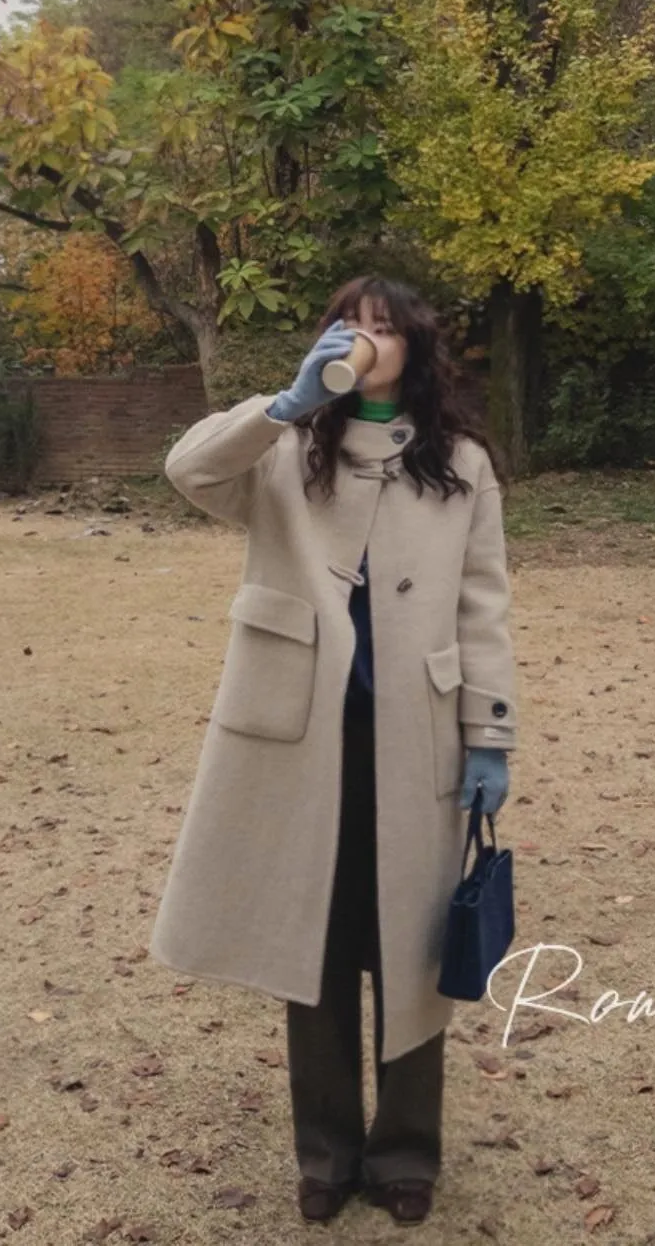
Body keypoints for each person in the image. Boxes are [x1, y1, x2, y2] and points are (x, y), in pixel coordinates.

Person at [149, 275, 519, 1227]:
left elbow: (483, 605)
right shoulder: (285, 447)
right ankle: (325, 1155)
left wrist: (490, 736)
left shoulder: (462, 463)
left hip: (417, 739)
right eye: (348, 324)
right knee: (307, 947)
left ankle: (405, 1155)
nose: (364, 339)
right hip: (299, 738)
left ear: (416, 349)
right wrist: (283, 405)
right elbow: (189, 471)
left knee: (412, 955)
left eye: (383, 327)